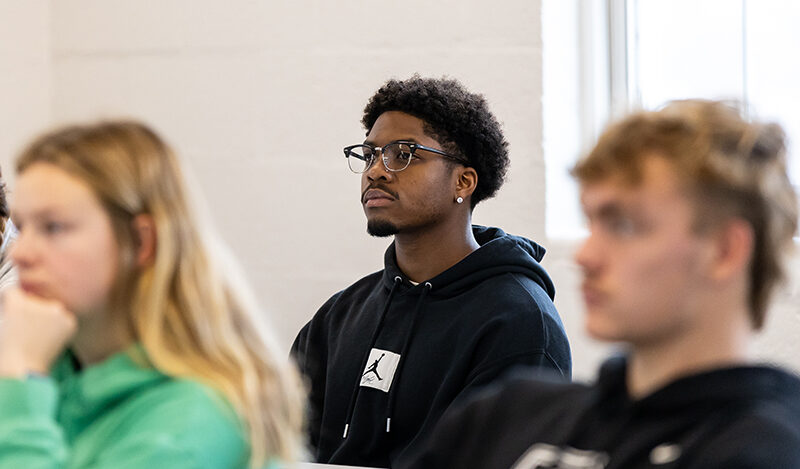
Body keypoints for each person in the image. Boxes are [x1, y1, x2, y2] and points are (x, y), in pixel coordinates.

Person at [400, 100, 800, 469]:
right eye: (591, 223)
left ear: (725, 251)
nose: (585, 256)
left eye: (623, 225)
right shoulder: (505, 415)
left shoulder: (764, 450)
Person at [291, 76, 571, 468]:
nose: (377, 171)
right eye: (370, 155)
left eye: (403, 154)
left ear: (464, 181)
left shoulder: (520, 322)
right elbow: (279, 446)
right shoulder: (338, 317)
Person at [0, 121, 304, 468]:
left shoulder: (198, 417)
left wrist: (20, 375)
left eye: (53, 227)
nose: (19, 254)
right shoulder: (61, 371)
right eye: (22, 228)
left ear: (141, 242)